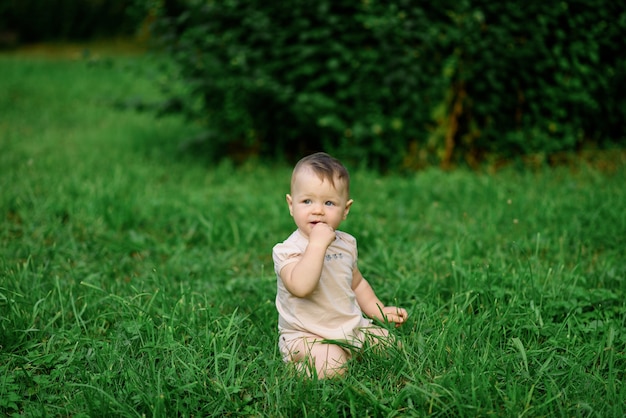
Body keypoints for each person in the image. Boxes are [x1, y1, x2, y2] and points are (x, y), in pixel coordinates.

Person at [273, 152, 408, 378]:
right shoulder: (288, 250)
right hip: (306, 334)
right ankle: (296, 366)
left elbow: (358, 284)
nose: (318, 210)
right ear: (291, 205)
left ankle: (348, 349)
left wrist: (380, 310)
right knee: (333, 367)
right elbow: (300, 287)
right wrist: (317, 245)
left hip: (350, 326)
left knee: (393, 347)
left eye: (329, 203)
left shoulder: (346, 243)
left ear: (345, 209)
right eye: (307, 201)